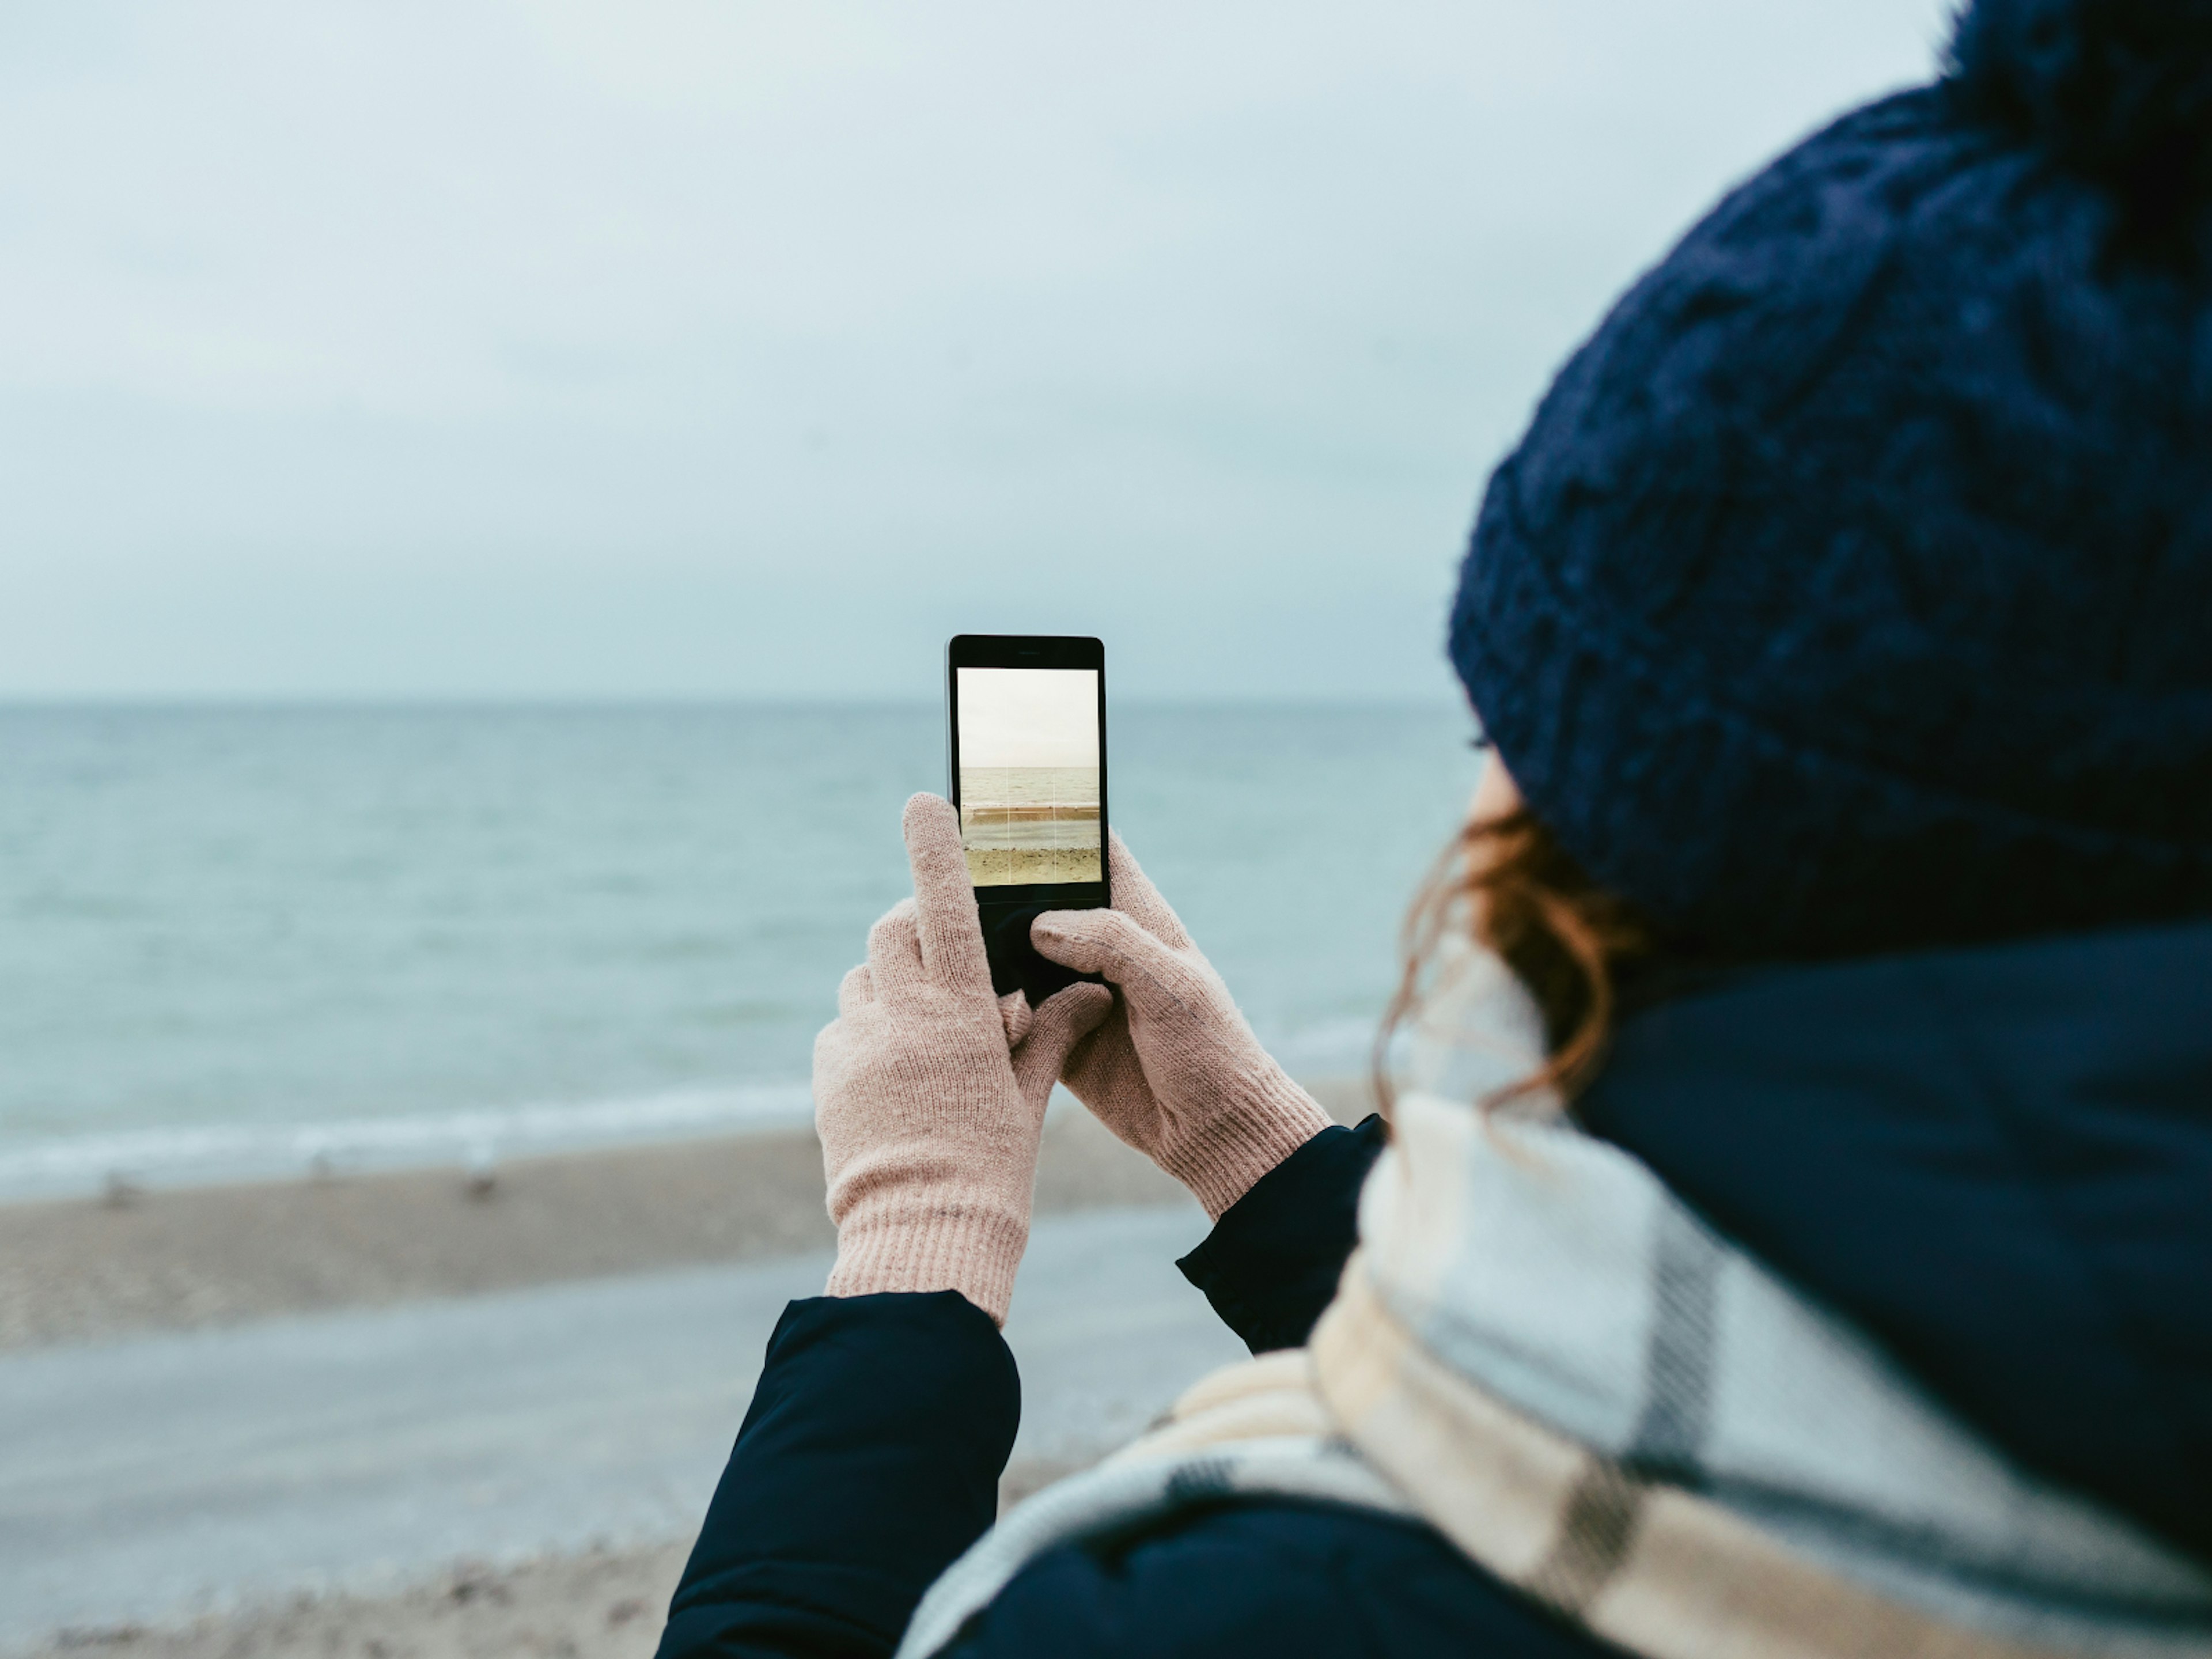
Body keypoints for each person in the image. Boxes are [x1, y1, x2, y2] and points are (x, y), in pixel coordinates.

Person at [658, 2, 2212, 1653]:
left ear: (1646, 820)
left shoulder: (1256, 1621)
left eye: (1512, 724)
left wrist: (918, 1241)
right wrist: (1252, 1150)